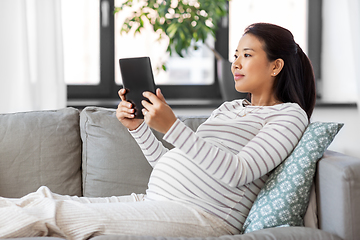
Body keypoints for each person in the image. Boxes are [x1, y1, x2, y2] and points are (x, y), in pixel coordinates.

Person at [0, 23, 315, 240]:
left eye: (247, 55)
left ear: (275, 66)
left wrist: (173, 127)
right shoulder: (230, 109)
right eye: (235, 55)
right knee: (42, 198)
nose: (235, 63)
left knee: (55, 212)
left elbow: (239, 172)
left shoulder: (289, 116)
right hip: (158, 200)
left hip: (203, 216)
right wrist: (140, 128)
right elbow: (172, 162)